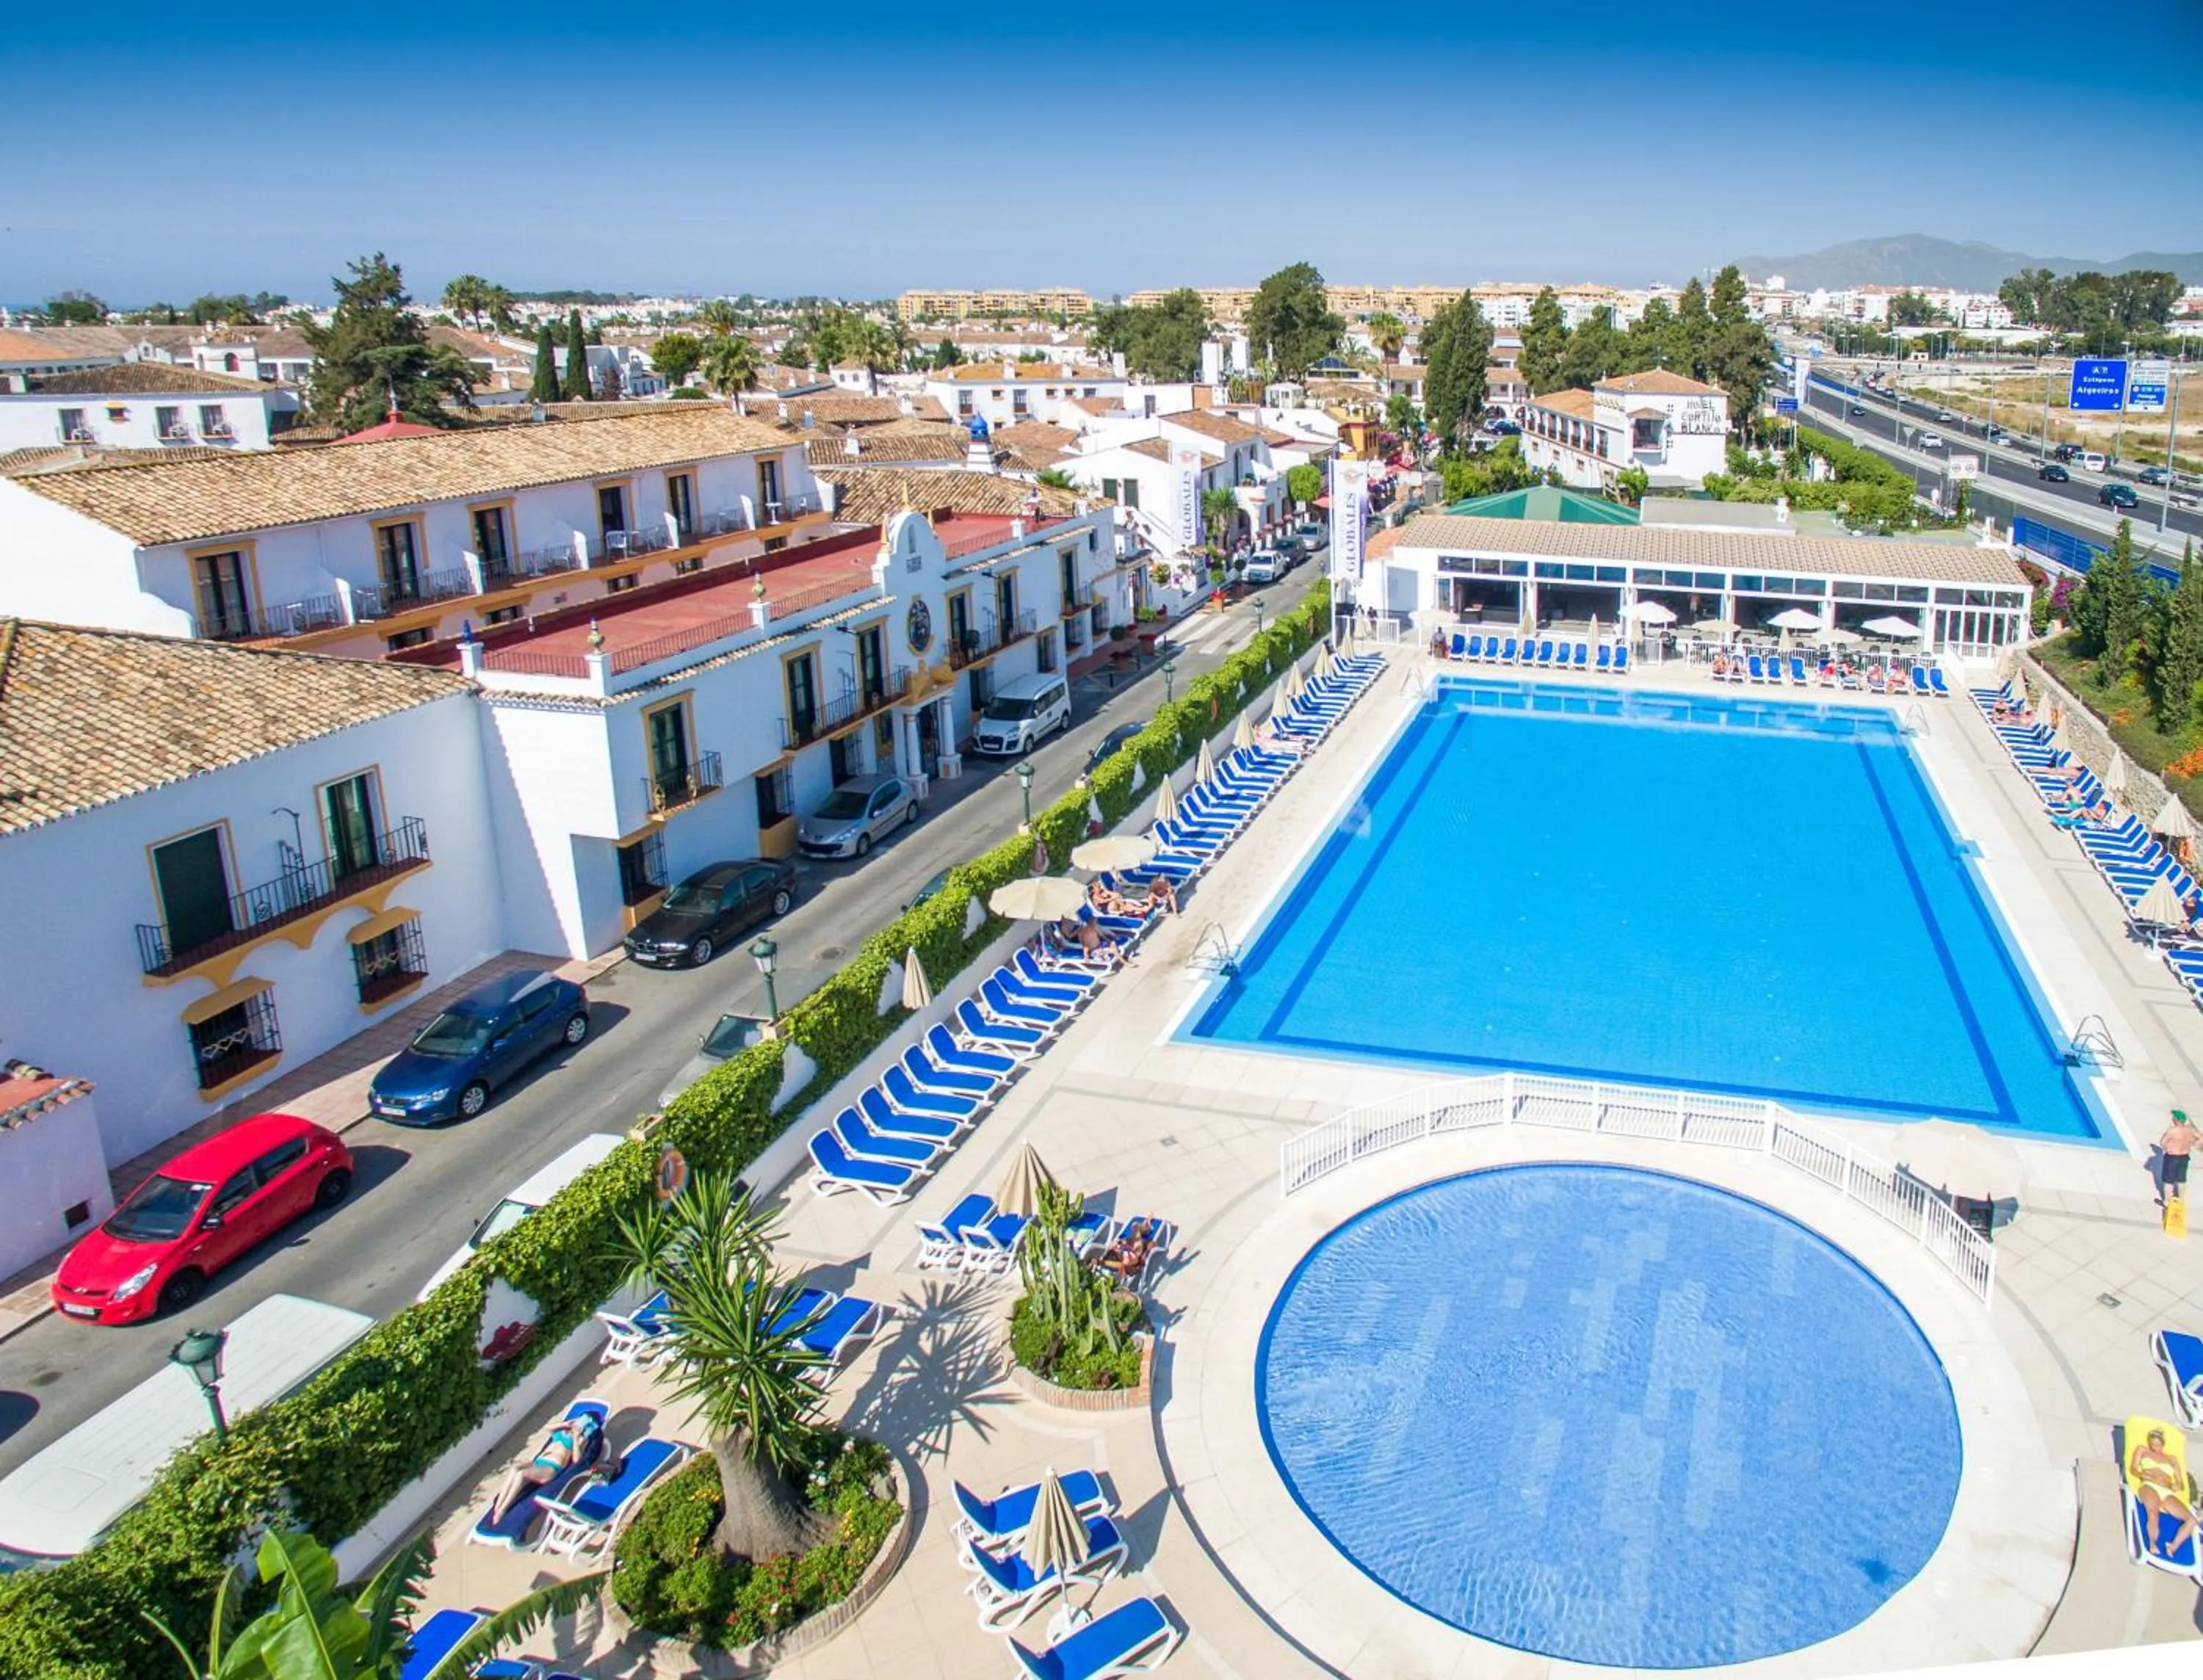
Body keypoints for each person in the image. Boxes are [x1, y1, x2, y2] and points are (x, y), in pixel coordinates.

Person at [486, 1413, 602, 1525]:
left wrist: (576, 1438)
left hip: (551, 1467)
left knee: (521, 1474)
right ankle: (497, 1508)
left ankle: (502, 1510)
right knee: (515, 1468)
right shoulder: (561, 1431)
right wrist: (566, 1424)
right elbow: (547, 1428)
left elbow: (577, 1460)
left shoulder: (581, 1439)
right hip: (538, 1463)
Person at [2130, 1426, 2197, 1559]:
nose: (2155, 1448)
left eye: (2158, 1445)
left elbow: (2181, 1483)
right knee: (2153, 1513)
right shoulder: (2143, 1450)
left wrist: (2178, 1486)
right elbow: (2133, 1469)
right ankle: (2153, 1543)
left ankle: (2173, 1546)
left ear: (2163, 1444)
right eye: (2152, 1444)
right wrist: (2142, 1475)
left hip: (2167, 1491)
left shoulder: (2172, 1459)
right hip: (2149, 1485)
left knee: (2192, 1520)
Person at [1099, 1217, 1162, 1283]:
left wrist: (1118, 1244)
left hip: (1128, 1253)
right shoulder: (1132, 1253)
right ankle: (1143, 1228)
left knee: (1133, 1241)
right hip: (1129, 1254)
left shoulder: (1131, 1253)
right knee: (1133, 1240)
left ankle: (1143, 1228)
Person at [2160, 1110, 2200, 1206]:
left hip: (2173, 1157)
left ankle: (2167, 1201)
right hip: (2184, 1157)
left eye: (2174, 1118)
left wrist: (2167, 1148)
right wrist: (2194, 1144)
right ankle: (2181, 1199)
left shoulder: (2172, 1131)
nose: (2172, 1119)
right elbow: (2200, 1138)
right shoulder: (2190, 1130)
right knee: (2182, 1179)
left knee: (2168, 1181)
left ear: (2177, 1120)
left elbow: (2163, 1143)